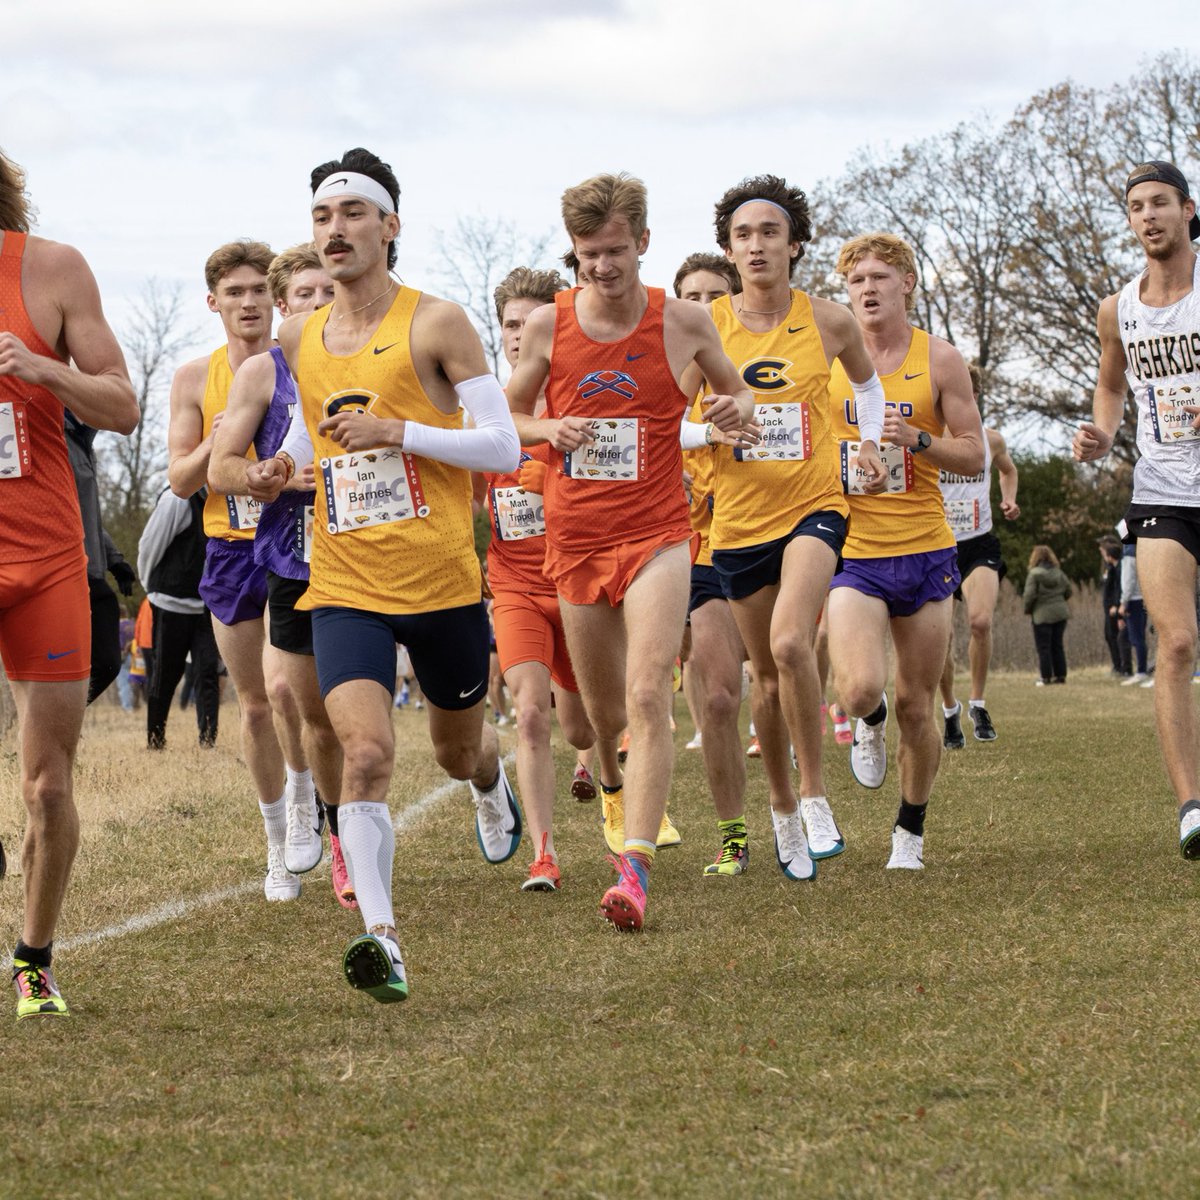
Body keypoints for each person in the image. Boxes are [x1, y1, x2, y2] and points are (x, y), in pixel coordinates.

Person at [246, 147, 521, 1001]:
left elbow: (503, 446)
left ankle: (490, 781)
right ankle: (383, 938)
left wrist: (402, 432)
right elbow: (310, 435)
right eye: (323, 218)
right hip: (346, 582)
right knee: (364, 753)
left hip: (440, 580)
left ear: (389, 226)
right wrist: (280, 469)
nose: (335, 230)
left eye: (353, 214)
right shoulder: (299, 334)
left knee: (454, 749)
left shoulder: (437, 323)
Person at [507, 171, 752, 930]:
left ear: (643, 242)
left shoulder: (682, 323)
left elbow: (736, 393)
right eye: (588, 256)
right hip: (576, 536)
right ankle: (611, 783)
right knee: (595, 720)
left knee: (649, 694)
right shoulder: (549, 327)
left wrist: (732, 410)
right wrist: (550, 432)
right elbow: (507, 419)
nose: (603, 268)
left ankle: (634, 868)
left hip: (657, 532)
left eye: (615, 251)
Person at [704, 176, 887, 882]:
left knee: (789, 641)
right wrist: (706, 426)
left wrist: (868, 444)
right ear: (729, 248)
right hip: (738, 521)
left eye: (769, 233)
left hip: (815, 504)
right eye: (744, 235)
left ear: (794, 244)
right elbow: (670, 421)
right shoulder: (703, 326)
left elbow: (867, 388)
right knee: (769, 680)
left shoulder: (830, 320)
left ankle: (814, 794)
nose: (757, 245)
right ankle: (779, 806)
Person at [0, 147, 140, 1018]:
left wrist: (41, 368)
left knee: (48, 784)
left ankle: (34, 959)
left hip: (46, 556)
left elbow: (121, 405)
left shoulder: (50, 269)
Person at [168, 239, 321, 903]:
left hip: (293, 539)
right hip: (228, 548)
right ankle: (276, 849)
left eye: (260, 289)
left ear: (275, 297)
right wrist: (218, 439)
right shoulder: (194, 378)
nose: (249, 302)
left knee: (291, 693)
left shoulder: (300, 365)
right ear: (215, 303)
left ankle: (308, 797)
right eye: (234, 293)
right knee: (256, 705)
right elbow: (178, 480)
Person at [826, 232, 984, 871]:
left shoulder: (940, 360)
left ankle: (909, 832)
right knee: (860, 687)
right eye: (857, 279)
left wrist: (919, 439)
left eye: (879, 278)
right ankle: (869, 719)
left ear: (907, 284)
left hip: (923, 549)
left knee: (921, 704)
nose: (867, 289)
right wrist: (842, 467)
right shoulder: (827, 360)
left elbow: (973, 454)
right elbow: (799, 445)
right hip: (853, 549)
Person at [208, 242, 353, 909]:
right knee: (284, 698)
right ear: (283, 307)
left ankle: (481, 778)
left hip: (373, 547)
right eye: (306, 296)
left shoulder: (375, 355)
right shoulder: (264, 373)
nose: (320, 306)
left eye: (329, 293)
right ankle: (313, 814)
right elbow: (216, 470)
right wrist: (262, 474)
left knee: (431, 721)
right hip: (283, 550)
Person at [1073, 159, 1200, 858]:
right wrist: (1101, 434)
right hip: (1163, 490)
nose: (1147, 216)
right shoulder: (1117, 307)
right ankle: (1191, 808)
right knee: (1175, 642)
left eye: (1160, 203)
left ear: (1187, 209)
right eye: (1135, 207)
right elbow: (1111, 386)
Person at [484, 265, 603, 892]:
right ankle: (544, 854)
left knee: (583, 727)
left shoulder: (581, 402)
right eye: (510, 324)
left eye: (533, 325)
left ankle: (606, 782)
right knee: (529, 714)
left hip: (577, 583)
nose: (520, 336)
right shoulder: (480, 408)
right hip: (514, 587)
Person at [670, 251, 757, 876]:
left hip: (770, 541)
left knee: (778, 682)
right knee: (722, 697)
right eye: (691, 298)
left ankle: (794, 806)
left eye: (714, 296)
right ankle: (734, 835)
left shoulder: (754, 375)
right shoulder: (666, 377)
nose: (704, 309)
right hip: (700, 552)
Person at [937, 363, 1020, 748]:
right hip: (936, 544)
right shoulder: (928, 438)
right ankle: (950, 710)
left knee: (981, 622)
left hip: (979, 543)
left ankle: (977, 703)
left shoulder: (992, 441)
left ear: (975, 395)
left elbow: (1008, 470)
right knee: (940, 639)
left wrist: (1008, 498)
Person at [137, 485, 221, 747]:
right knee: (165, 675)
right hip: (170, 602)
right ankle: (155, 739)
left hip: (205, 607)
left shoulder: (223, 500)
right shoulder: (176, 499)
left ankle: (208, 741)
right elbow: (149, 546)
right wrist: (151, 585)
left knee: (207, 673)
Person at [64, 412, 137, 702]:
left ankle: (53, 731)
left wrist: (115, 559)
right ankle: (49, 730)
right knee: (98, 662)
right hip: (65, 566)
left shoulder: (81, 441)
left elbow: (87, 515)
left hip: (91, 566)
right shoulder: (57, 437)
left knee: (104, 662)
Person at [1023, 545, 1071, 684]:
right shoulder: (1059, 572)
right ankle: (1061, 675)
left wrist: (1028, 609)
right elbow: (1068, 591)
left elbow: (1029, 595)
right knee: (1058, 645)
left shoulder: (1034, 574)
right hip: (1060, 613)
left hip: (1042, 614)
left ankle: (1045, 676)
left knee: (1044, 647)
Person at [1100, 535, 1132, 677]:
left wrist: (1115, 604)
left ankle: (1122, 667)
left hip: (1115, 607)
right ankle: (1117, 665)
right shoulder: (1110, 567)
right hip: (1109, 607)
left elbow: (1118, 588)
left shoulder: (1119, 568)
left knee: (1117, 637)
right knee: (1110, 636)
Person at [1118, 541, 1150, 685]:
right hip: (1142, 598)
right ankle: (1142, 669)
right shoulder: (1141, 552)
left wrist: (1123, 602)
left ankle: (1141, 671)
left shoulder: (1129, 556)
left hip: (1134, 600)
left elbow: (1128, 581)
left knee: (1137, 638)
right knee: (1138, 638)